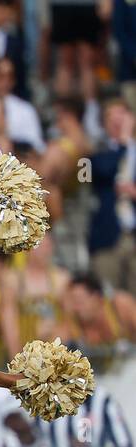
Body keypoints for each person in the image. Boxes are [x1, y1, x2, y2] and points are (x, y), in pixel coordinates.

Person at [86, 98, 136, 298]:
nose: (117, 120)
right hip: (107, 237)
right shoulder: (95, 149)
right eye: (110, 115)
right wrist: (123, 145)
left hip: (133, 233)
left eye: (121, 114)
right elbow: (99, 170)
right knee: (110, 300)